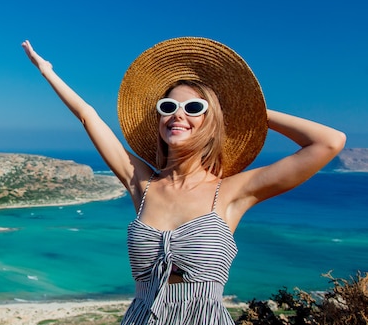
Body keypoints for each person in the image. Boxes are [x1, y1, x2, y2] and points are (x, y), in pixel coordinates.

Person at [21, 37, 346, 325]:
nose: (178, 114)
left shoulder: (232, 192)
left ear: (212, 119)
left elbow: (328, 142)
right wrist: (47, 71)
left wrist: (246, 110)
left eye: (193, 107)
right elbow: (88, 116)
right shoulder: (143, 185)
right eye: (168, 107)